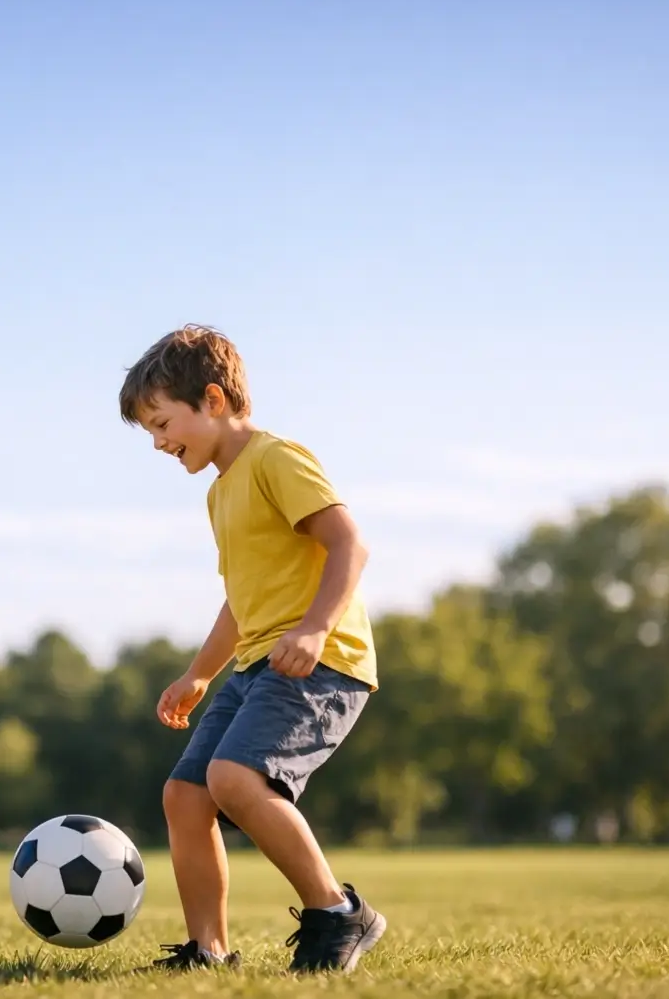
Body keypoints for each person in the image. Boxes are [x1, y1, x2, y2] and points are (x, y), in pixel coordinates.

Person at [118, 325, 387, 974]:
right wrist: (198, 674)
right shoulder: (220, 490)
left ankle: (337, 912)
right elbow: (241, 600)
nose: (158, 443)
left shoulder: (275, 458)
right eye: (150, 432)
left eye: (161, 423)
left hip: (318, 661)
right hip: (253, 664)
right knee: (185, 795)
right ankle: (207, 950)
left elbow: (350, 543)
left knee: (233, 778)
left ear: (212, 399)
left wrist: (316, 627)